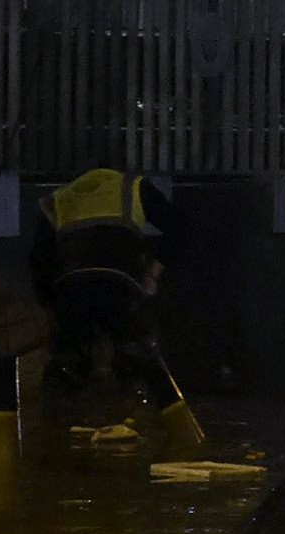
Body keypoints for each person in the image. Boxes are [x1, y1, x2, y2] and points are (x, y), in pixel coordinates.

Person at [33, 169, 188, 420]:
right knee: (141, 354)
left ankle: (58, 431)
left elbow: (39, 261)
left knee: (67, 363)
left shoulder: (58, 198)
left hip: (70, 287)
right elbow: (179, 227)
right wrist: (153, 274)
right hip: (120, 284)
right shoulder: (134, 187)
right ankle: (177, 428)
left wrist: (50, 309)